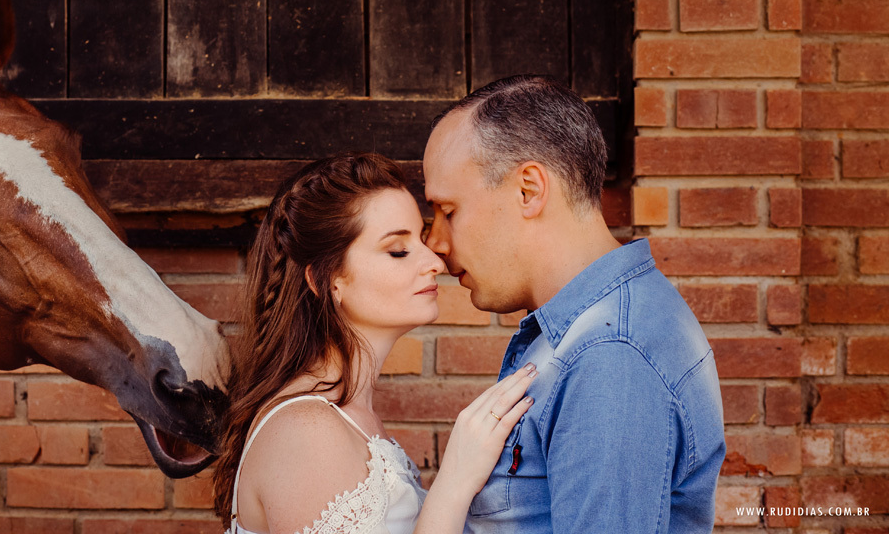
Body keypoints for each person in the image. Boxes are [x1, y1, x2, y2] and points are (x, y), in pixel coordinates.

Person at [423, 74, 726, 533]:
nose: (435, 242)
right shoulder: (586, 334)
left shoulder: (610, 357)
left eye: (448, 211)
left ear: (529, 190)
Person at [212, 153, 537, 534]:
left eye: (421, 238)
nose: (433, 260)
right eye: (398, 250)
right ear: (327, 280)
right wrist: (455, 481)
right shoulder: (306, 431)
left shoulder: (348, 416)